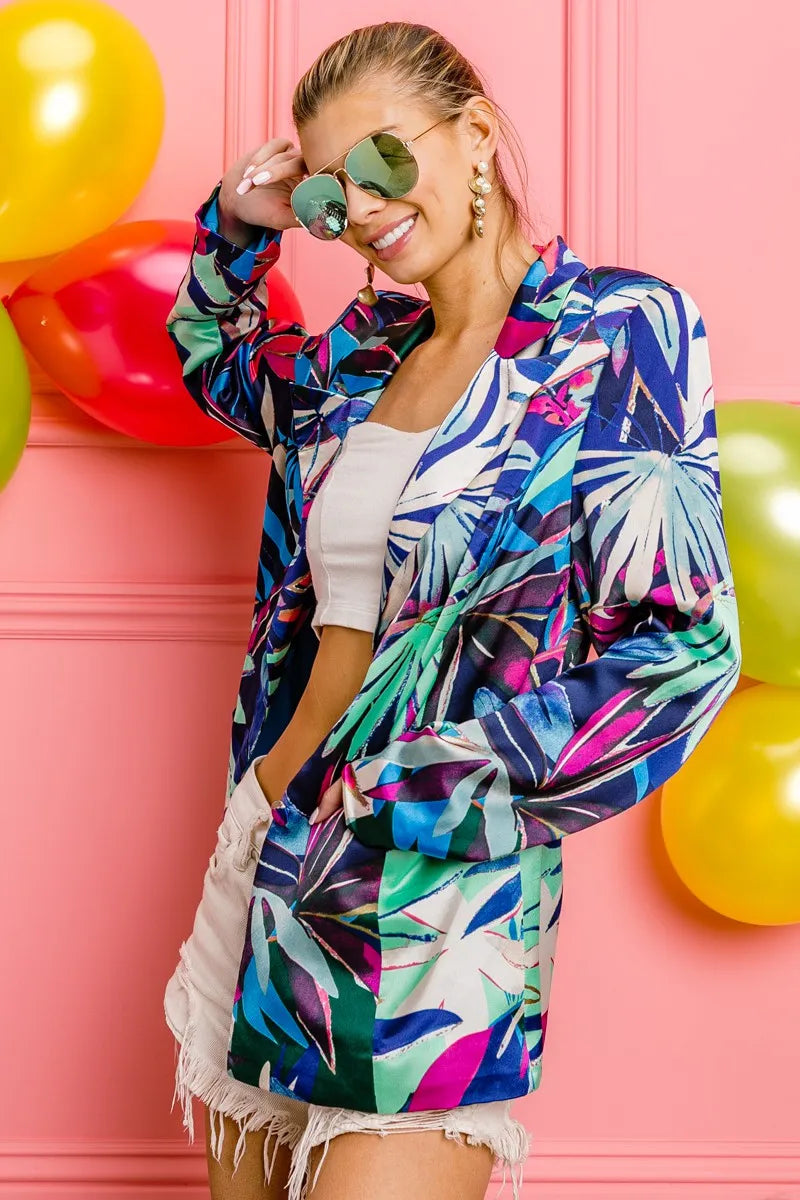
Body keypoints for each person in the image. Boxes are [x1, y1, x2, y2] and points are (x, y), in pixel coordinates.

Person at [162, 19, 741, 1200]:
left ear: (473, 133)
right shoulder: (362, 356)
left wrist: (432, 786)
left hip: (433, 883)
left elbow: (681, 651)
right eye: (330, 193)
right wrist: (239, 226)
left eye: (381, 161)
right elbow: (216, 358)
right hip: (267, 846)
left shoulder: (615, 336)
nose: (359, 211)